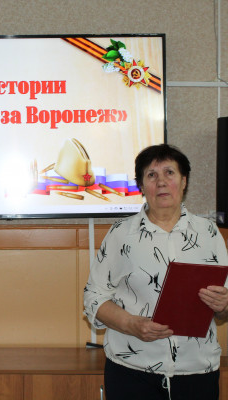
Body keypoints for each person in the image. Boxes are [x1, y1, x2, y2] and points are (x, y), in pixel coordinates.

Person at [83, 143, 228, 400]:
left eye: (169, 173)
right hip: (132, 373)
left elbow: (224, 306)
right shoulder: (120, 234)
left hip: (197, 371)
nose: (161, 182)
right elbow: (93, 297)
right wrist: (131, 324)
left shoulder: (209, 232)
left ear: (184, 181)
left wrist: (223, 304)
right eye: (152, 175)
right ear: (141, 185)